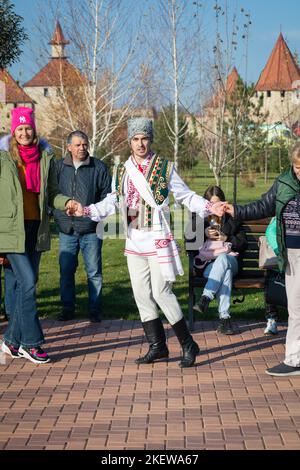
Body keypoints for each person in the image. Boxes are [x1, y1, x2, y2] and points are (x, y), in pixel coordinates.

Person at [72, 117, 227, 368]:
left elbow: (185, 196)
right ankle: (158, 346)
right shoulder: (122, 169)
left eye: (144, 138)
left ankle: (189, 344)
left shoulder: (165, 167)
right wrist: (87, 211)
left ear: (150, 139)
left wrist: (210, 206)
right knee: (142, 295)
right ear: (130, 141)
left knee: (162, 293)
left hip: (158, 238)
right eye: (135, 138)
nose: (140, 143)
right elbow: (113, 200)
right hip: (134, 238)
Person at [0, 107, 80, 364]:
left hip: (36, 228)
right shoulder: (4, 159)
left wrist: (66, 201)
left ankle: (11, 341)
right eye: (20, 129)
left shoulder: (45, 157)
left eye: (28, 128)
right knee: (29, 282)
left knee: (24, 283)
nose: (24, 133)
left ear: (34, 130)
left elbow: (53, 193)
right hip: (10, 230)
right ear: (14, 132)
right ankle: (31, 343)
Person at [226, 142, 300, 376]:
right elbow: (263, 206)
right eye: (297, 166)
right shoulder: (284, 182)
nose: (299, 171)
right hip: (293, 254)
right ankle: (294, 358)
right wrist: (236, 211)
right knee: (297, 307)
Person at [52, 131, 111, 322]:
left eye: (85, 144)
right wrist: (56, 213)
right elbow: (51, 194)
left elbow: (107, 197)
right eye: (77, 145)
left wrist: (91, 213)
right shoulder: (59, 167)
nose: (82, 148)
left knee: (94, 272)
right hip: (66, 230)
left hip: (91, 230)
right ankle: (67, 309)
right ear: (69, 147)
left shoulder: (99, 167)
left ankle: (95, 311)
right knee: (66, 271)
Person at [193, 186, 248, 335]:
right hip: (209, 265)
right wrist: (202, 233)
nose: (217, 207)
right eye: (212, 204)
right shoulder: (199, 218)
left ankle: (206, 297)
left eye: (220, 203)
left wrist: (227, 238)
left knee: (224, 259)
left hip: (232, 260)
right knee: (226, 273)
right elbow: (189, 245)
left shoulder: (233, 217)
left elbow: (243, 243)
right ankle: (225, 319)